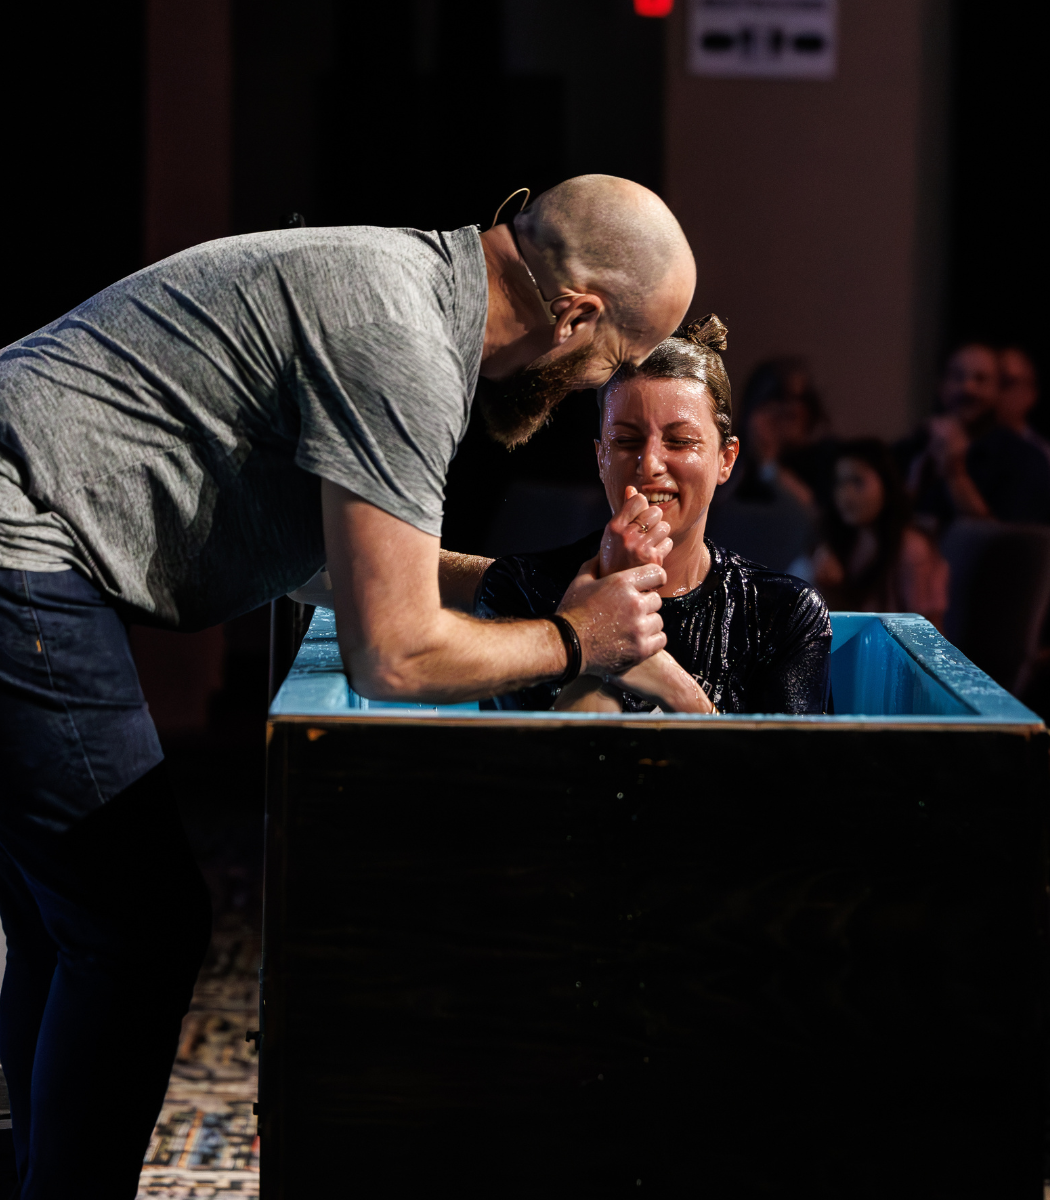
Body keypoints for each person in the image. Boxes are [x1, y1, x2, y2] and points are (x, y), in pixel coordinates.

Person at [0, 174, 697, 1198]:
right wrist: (573, 640)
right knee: (140, 930)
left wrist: (535, 591)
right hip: (16, 540)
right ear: (577, 316)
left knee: (77, 926)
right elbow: (397, 652)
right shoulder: (403, 338)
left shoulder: (398, 282)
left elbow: (336, 563)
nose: (599, 388)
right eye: (617, 366)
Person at [475, 317, 832, 715]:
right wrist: (596, 632)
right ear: (601, 458)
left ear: (725, 459)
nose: (650, 465)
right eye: (626, 441)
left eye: (680, 442)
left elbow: (791, 776)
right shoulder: (519, 591)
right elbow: (541, 771)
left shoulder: (782, 613)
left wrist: (678, 690)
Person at [900, 341, 1050, 531]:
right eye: (957, 376)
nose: (967, 388)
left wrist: (955, 473)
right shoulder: (908, 449)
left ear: (997, 390)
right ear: (941, 385)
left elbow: (1009, 544)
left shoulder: (1025, 460)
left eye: (981, 379)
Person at [705, 357, 828, 572]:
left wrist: (769, 464)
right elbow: (710, 508)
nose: (789, 409)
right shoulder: (734, 455)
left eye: (800, 400)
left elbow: (816, 517)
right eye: (778, 399)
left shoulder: (824, 456)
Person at [811, 438, 949, 629]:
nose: (846, 494)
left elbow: (929, 635)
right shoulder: (843, 541)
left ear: (886, 483)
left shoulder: (911, 549)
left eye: (857, 481)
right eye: (839, 483)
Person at [997, 345, 1050, 464]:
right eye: (993, 380)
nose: (995, 391)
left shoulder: (1043, 455)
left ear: (1031, 393)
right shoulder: (963, 444)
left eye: (1006, 382)